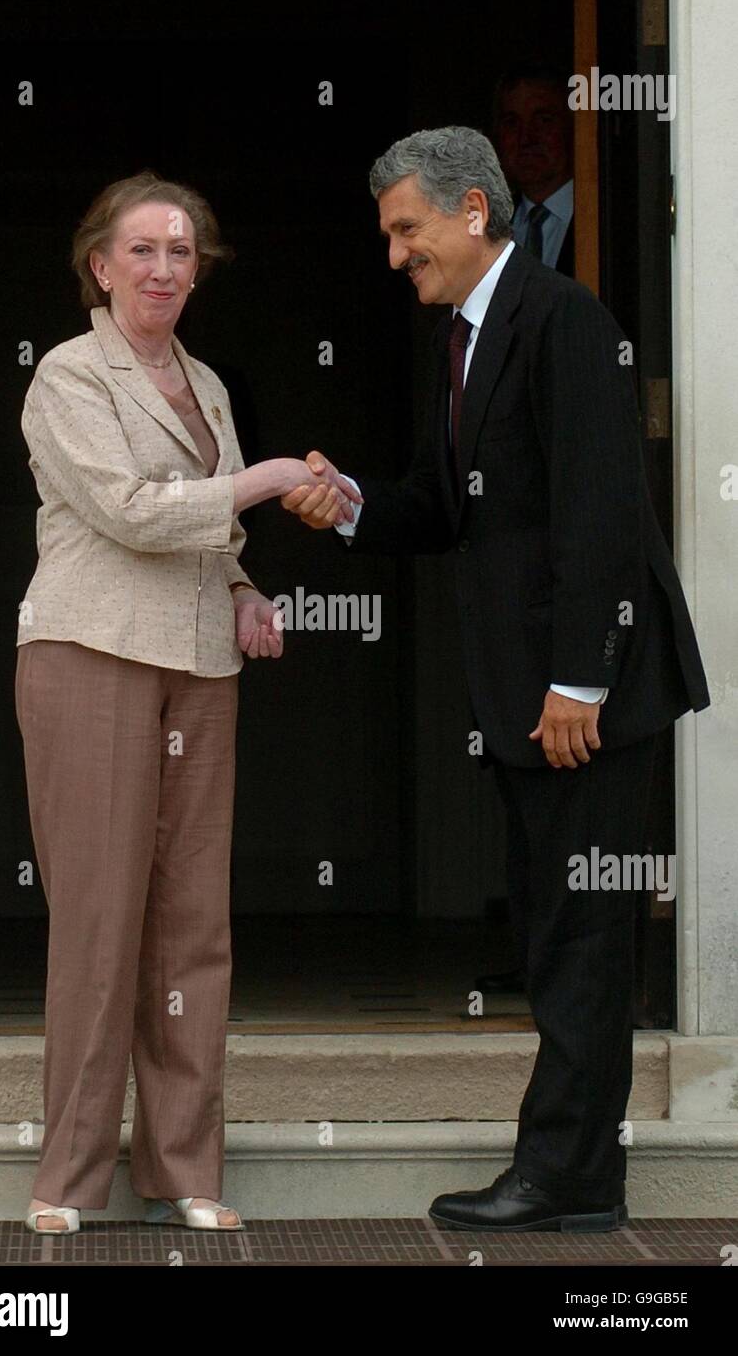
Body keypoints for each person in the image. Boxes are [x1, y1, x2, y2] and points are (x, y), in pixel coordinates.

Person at [281, 127, 709, 1232]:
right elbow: (443, 503)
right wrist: (354, 505)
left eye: (404, 230)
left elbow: (600, 512)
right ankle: (573, 1172)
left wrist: (580, 681)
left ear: (473, 211)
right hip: (533, 697)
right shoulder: (463, 340)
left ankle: (563, 1175)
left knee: (578, 935)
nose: (393, 256)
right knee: (552, 926)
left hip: (582, 697)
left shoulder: (562, 322)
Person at [15, 170, 359, 1235]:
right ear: (100, 264)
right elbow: (131, 513)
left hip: (200, 661)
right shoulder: (69, 377)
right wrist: (262, 479)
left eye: (181, 252)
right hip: (92, 650)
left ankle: (183, 1169)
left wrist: (250, 590)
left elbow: (212, 535)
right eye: (144, 250)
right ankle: (65, 1180)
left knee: (191, 925)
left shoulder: (204, 381)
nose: (165, 267)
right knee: (100, 918)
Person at [493, 63, 575, 276]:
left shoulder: (603, 219)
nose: (526, 138)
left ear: (572, 125)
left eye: (543, 121)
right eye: (512, 123)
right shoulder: (489, 228)